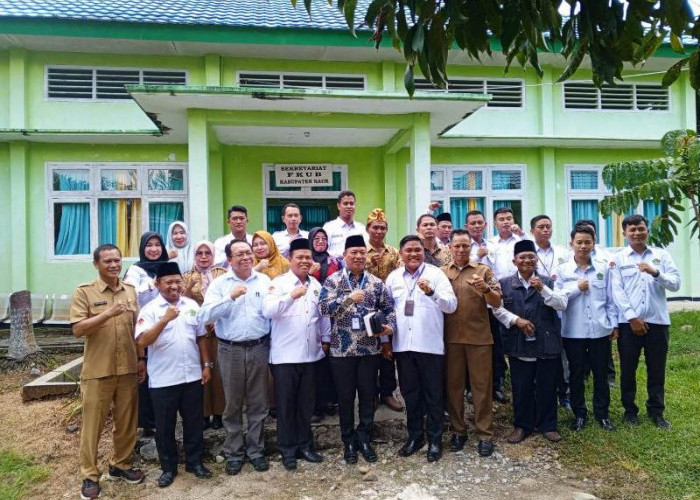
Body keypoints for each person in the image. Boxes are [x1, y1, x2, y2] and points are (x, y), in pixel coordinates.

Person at [69, 244, 144, 500]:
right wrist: (108, 313)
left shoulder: (131, 292)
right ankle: (90, 475)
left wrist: (141, 358)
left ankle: (120, 465)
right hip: (98, 370)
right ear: (96, 264)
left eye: (117, 260)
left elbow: (137, 329)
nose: (113, 265)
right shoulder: (84, 292)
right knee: (93, 425)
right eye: (107, 261)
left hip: (128, 369)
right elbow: (78, 329)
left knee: (126, 422)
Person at [319, 235, 396, 465]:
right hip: (341, 351)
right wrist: (348, 299)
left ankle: (364, 438)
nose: (358, 256)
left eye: (362, 252)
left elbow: (389, 309)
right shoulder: (333, 281)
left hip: (368, 350)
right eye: (353, 252)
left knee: (367, 396)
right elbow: (323, 308)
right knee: (344, 398)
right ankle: (348, 441)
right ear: (344, 255)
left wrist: (388, 329)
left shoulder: (375, 283)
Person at [135, 262, 213, 488]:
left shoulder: (191, 305)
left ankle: (194, 462)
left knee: (194, 423)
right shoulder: (150, 310)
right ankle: (168, 468)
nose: (174, 286)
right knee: (165, 427)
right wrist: (164, 320)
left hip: (191, 377)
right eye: (168, 282)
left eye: (177, 281)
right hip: (164, 380)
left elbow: (201, 337)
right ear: (158, 284)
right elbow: (142, 341)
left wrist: (206, 364)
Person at [199, 239, 272, 475]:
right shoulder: (220, 284)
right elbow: (205, 315)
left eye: (248, 253)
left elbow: (271, 312)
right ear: (229, 259)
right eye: (239, 254)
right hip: (230, 349)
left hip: (259, 347)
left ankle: (256, 450)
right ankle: (234, 452)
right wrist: (230, 297)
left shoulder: (264, 280)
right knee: (232, 403)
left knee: (258, 402)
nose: (245, 257)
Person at [386, 235, 457, 463]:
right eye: (408, 250)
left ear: (423, 253)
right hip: (403, 346)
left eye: (417, 250)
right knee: (410, 394)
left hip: (430, 346)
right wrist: (385, 343)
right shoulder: (393, 278)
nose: (413, 254)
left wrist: (431, 293)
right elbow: (387, 311)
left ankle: (435, 440)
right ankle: (415, 436)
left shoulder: (436, 274)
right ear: (401, 253)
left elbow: (451, 305)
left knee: (433, 395)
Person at [262, 238, 330, 470]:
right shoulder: (279, 283)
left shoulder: (316, 285)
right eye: (299, 257)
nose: (304, 261)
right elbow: (268, 311)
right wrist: (291, 295)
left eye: (307, 258)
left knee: (306, 405)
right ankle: (287, 450)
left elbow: (323, 317)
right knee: (286, 405)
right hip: (285, 358)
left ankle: (305, 446)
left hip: (311, 356)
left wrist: (327, 339)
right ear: (289, 259)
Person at [494, 239, 568, 444]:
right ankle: (522, 425)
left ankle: (548, 425)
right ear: (514, 261)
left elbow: (562, 304)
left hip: (546, 342)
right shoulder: (504, 283)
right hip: (518, 342)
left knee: (546, 385)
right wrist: (516, 320)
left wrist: (543, 289)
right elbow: (497, 309)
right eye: (522, 257)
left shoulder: (550, 281)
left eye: (531, 257)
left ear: (537, 260)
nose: (527, 260)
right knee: (521, 386)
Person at [611, 214, 681, 429]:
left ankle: (656, 412)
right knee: (628, 369)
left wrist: (655, 272)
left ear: (647, 230)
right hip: (629, 323)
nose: (637, 233)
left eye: (640, 228)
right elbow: (617, 291)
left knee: (657, 369)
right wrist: (632, 317)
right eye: (632, 230)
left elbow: (676, 284)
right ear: (624, 233)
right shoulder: (619, 258)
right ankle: (629, 411)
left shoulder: (661, 255)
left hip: (658, 322)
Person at [442, 230, 501, 457]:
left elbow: (497, 302)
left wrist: (485, 289)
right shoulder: (441, 272)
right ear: (449, 247)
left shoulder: (483, 271)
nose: (461, 250)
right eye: (456, 246)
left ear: (471, 247)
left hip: (479, 339)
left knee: (481, 388)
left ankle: (485, 434)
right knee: (453, 388)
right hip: (451, 339)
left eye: (465, 246)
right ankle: (458, 431)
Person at [555, 225, 618, 432]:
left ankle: (602, 414)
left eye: (587, 242)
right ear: (571, 243)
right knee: (576, 374)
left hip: (599, 330)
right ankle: (579, 414)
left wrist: (613, 324)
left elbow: (610, 299)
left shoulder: (603, 268)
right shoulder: (562, 270)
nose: (583, 246)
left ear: (593, 244)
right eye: (579, 242)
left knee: (601, 374)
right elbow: (558, 300)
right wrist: (576, 288)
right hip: (573, 332)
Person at [124, 231, 170, 438]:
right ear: (143, 248)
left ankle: (165, 418)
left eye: (157, 245)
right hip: (144, 324)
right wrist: (151, 283)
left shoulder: (168, 266)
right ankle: (147, 422)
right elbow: (131, 293)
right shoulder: (135, 269)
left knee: (165, 372)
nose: (153, 249)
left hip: (168, 324)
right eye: (149, 245)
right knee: (145, 373)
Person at [182, 240, 227, 430]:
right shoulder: (186, 276)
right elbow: (181, 301)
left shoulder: (221, 274)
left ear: (213, 255)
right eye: (199, 253)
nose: (203, 257)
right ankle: (203, 414)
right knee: (200, 372)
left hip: (219, 329)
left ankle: (219, 413)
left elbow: (228, 297)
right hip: (197, 331)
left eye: (207, 253)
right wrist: (189, 287)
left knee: (218, 373)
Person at [465, 210, 508, 404]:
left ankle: (497, 384)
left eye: (479, 223)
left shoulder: (493, 246)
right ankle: (470, 387)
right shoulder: (463, 246)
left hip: (491, 304)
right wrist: (476, 256)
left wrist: (486, 256)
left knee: (495, 345)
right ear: (467, 226)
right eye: (472, 223)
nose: (476, 226)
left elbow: (497, 271)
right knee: (471, 346)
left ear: (486, 225)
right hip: (470, 305)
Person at [531, 214, 571, 409]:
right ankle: (541, 391)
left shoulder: (563, 252)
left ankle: (564, 392)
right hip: (535, 306)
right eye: (541, 227)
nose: (545, 230)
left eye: (548, 226)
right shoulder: (529, 253)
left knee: (561, 351)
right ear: (532, 231)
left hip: (559, 303)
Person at [364, 208, 403, 412]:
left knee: (389, 351)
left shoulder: (393, 252)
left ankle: (387, 392)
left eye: (382, 228)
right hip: (366, 307)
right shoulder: (362, 251)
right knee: (370, 351)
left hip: (388, 306)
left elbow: (401, 273)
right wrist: (369, 265)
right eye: (375, 227)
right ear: (368, 228)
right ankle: (370, 394)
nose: (379, 231)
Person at [308, 226, 341, 421]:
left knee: (331, 360)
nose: (320, 241)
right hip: (311, 314)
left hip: (333, 315)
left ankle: (330, 401)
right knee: (315, 360)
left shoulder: (334, 261)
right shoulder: (305, 261)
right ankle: (315, 403)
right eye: (316, 238)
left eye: (324, 238)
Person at [488, 207, 530, 281]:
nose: (506, 222)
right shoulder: (490, 243)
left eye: (509, 218)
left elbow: (535, 249)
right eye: (501, 219)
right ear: (495, 224)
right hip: (498, 286)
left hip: (521, 285)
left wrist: (521, 233)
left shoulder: (521, 239)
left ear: (513, 221)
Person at [323, 190, 368, 258]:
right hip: (336, 268)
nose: (349, 206)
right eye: (345, 203)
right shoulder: (329, 227)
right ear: (338, 206)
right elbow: (324, 252)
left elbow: (366, 250)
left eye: (351, 203)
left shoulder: (361, 228)